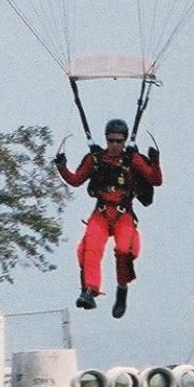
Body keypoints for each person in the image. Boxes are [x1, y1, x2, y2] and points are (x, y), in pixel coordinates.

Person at [55, 117, 162, 318]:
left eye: (119, 141)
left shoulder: (133, 159)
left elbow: (155, 180)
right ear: (106, 139)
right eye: (111, 140)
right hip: (101, 213)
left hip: (123, 214)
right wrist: (62, 166)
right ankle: (89, 291)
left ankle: (122, 290)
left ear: (124, 140)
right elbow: (76, 180)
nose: (115, 145)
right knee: (91, 249)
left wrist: (155, 161)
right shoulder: (95, 159)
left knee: (123, 249)